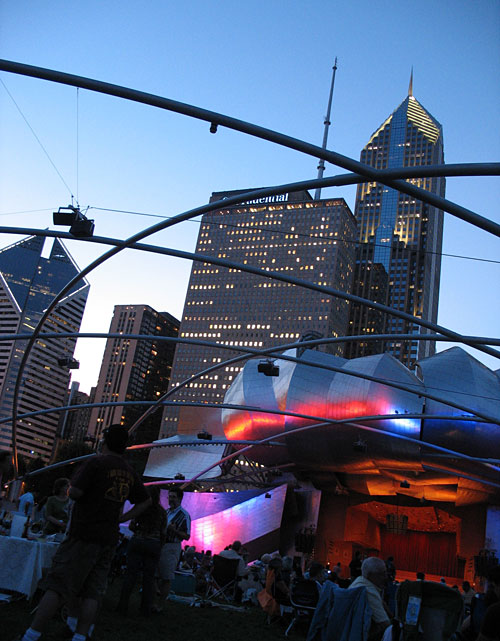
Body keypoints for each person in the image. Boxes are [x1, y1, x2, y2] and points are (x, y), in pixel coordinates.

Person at [16, 424, 150, 641]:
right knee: (92, 592)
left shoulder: (96, 462)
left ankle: (31, 635)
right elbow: (146, 501)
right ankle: (79, 635)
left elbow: (76, 491)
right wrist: (122, 518)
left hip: (83, 534)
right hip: (108, 537)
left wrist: (71, 489)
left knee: (58, 585)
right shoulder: (128, 471)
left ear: (105, 440)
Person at [117, 486, 166, 616]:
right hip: (153, 544)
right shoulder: (161, 512)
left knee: (130, 575)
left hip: (138, 541)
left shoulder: (141, 508)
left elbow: (132, 525)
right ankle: (145, 609)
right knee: (149, 578)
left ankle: (122, 606)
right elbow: (163, 532)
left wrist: (139, 531)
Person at [155, 486, 191, 612]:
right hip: (161, 544)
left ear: (180, 498)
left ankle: (160, 605)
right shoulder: (166, 512)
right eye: (169, 496)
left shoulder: (184, 515)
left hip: (171, 546)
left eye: (174, 497)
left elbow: (187, 536)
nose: (171, 499)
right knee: (156, 574)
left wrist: (174, 530)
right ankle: (155, 599)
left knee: (166, 576)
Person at [349, 557, 391, 641]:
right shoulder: (368, 590)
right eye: (382, 573)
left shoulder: (358, 582)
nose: (386, 577)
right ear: (371, 575)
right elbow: (386, 624)